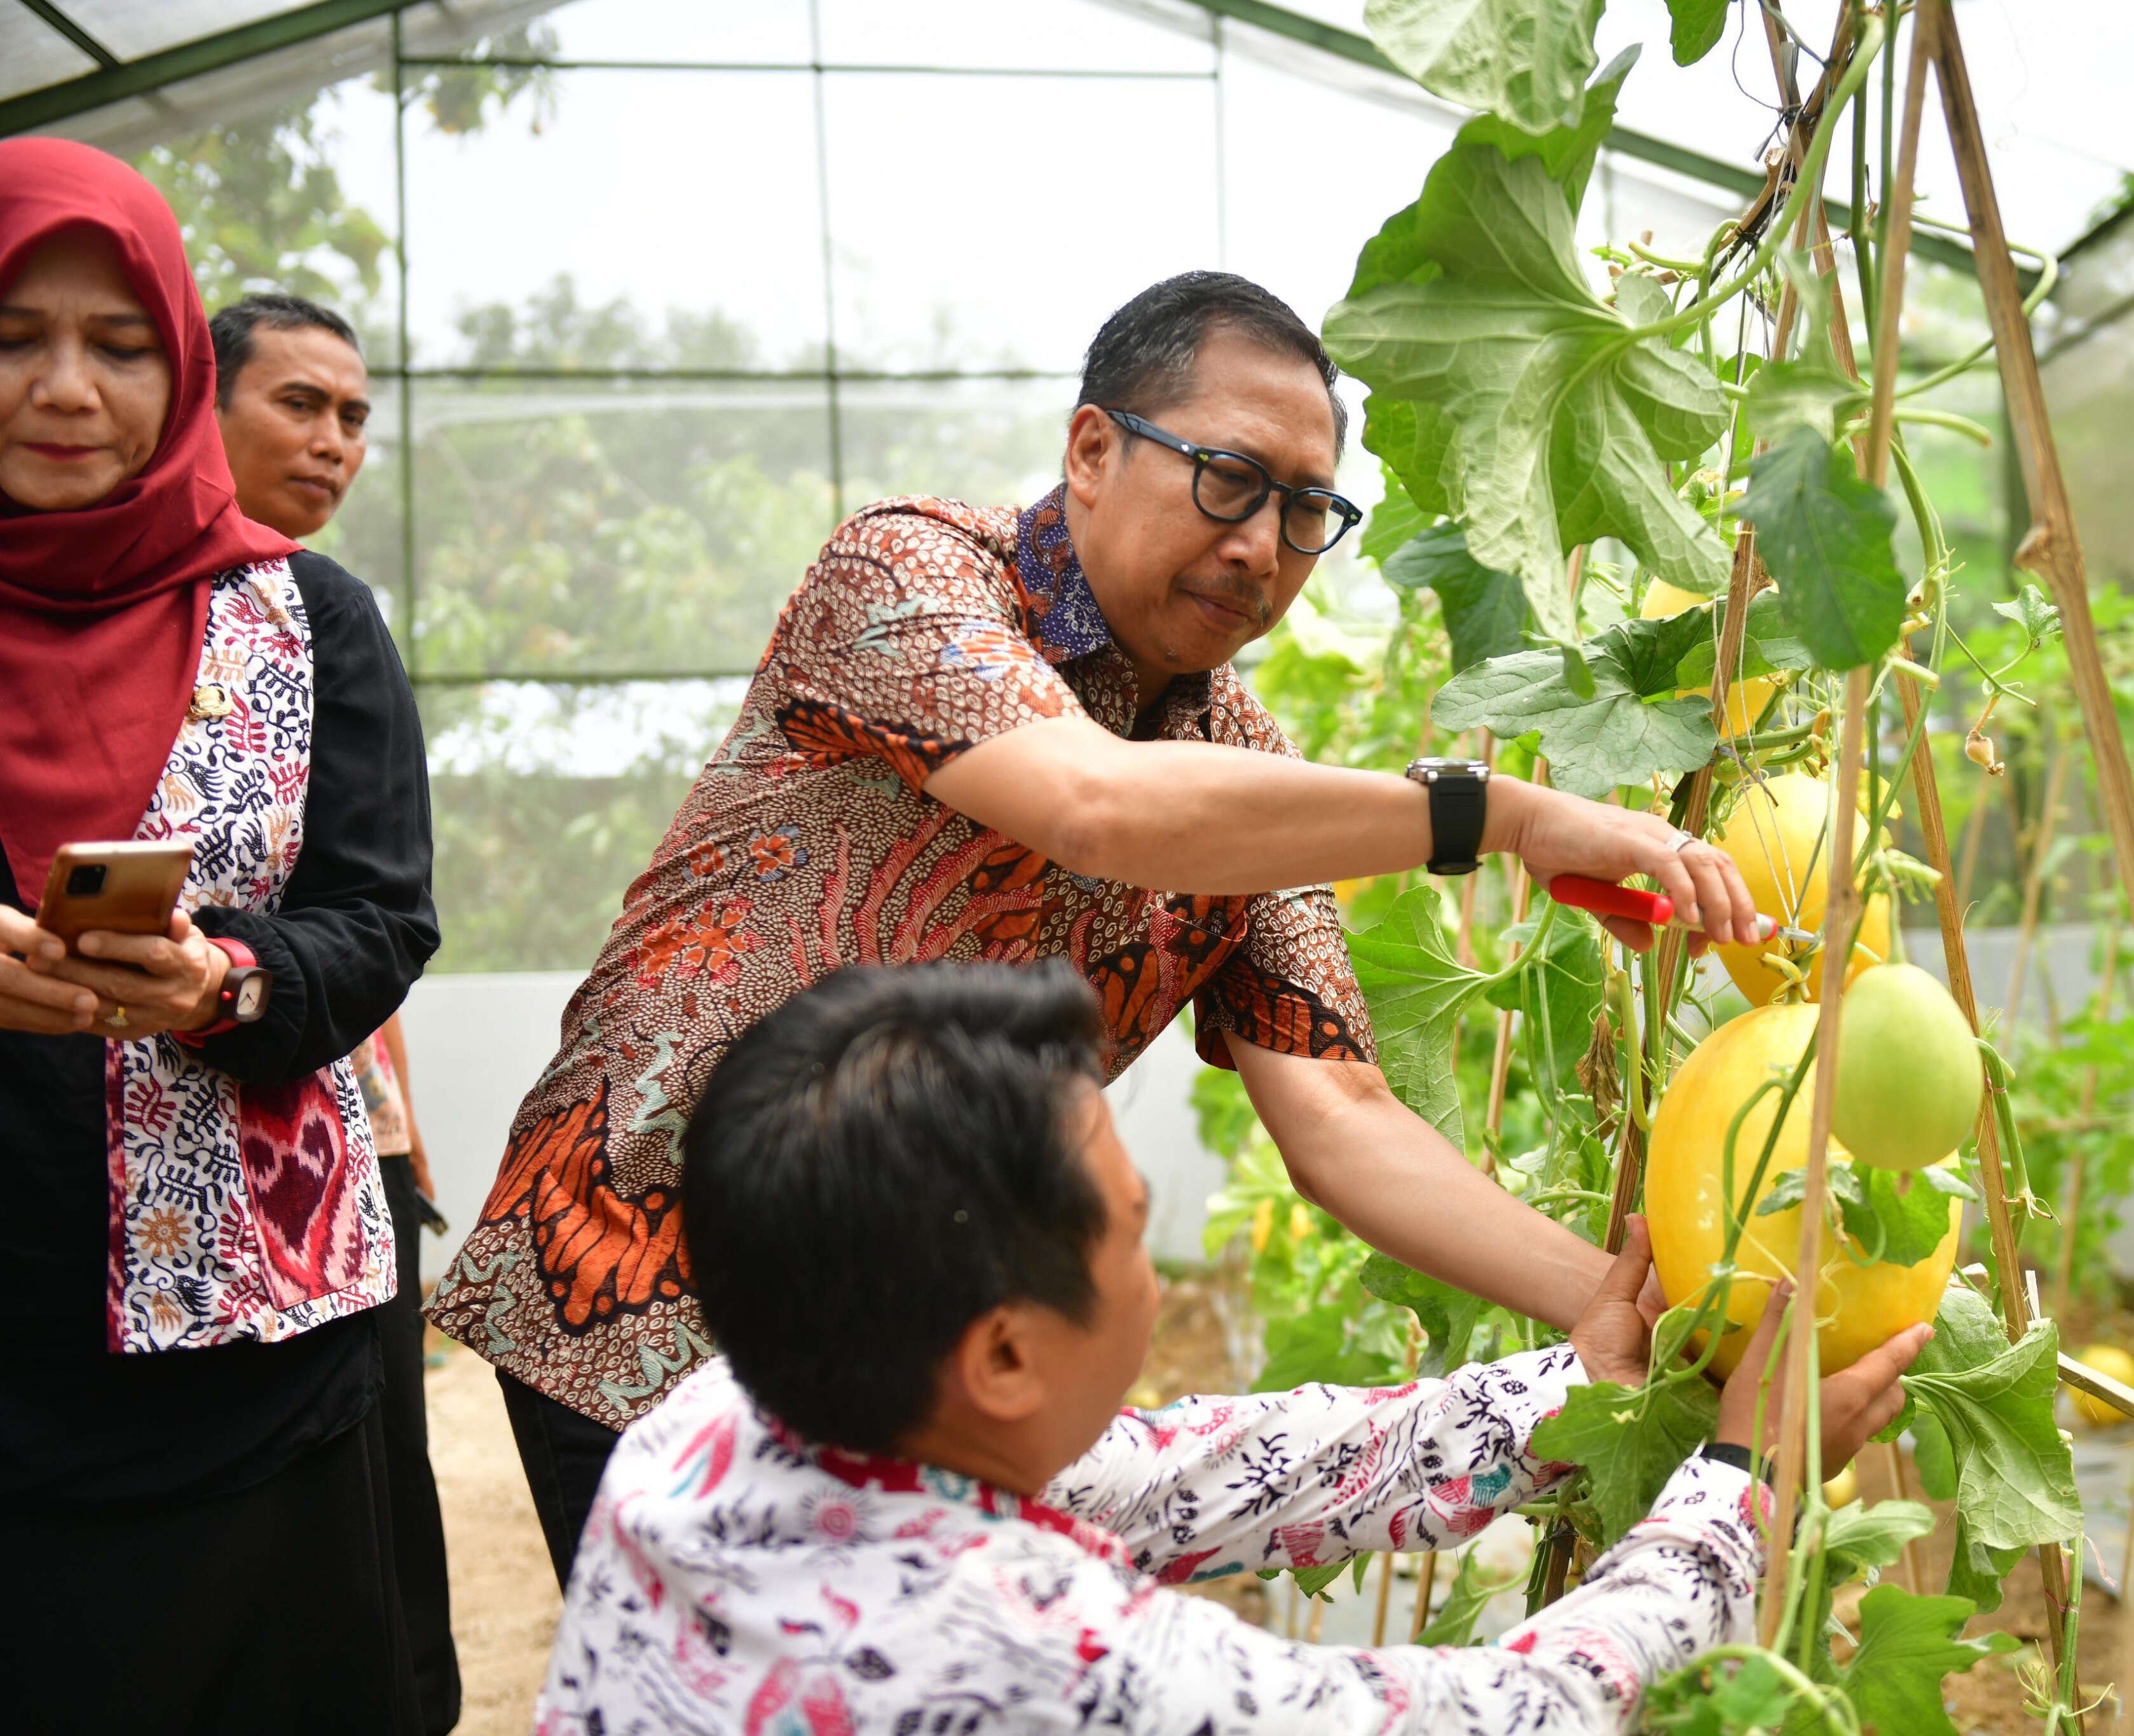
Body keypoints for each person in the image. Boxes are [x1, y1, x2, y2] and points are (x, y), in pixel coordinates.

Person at [427, 270, 1777, 1582]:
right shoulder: (906, 574)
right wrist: (1504, 818)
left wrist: (1629, 1307)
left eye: (1305, 512)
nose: (1259, 544)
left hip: (926, 1351)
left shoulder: (1241, 758)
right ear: (1090, 447)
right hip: (641, 1297)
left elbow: (1342, 1113)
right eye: (1229, 480)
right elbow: (1091, 803)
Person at [537, 962, 1930, 1732]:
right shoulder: (1047, 1657)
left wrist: (1570, 1396)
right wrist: (1740, 1480)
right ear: (1006, 1358)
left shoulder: (710, 1426)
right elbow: (1501, 1718)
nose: (1156, 1276)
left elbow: (1183, 1475)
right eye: (1131, 1234)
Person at [0, 139, 439, 1732]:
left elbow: (381, 916)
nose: (64, 389)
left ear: (173, 366)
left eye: (117, 346)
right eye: (12, 337)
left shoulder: (306, 620)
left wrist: (219, 974)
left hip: (249, 1356)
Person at [213, 287, 463, 1736]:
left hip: (335, 1147)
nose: (333, 442)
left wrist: (400, 1131)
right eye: (297, 405)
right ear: (208, 405)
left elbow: (375, 913)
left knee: (374, 1500)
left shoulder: (322, 621)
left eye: (354, 416)